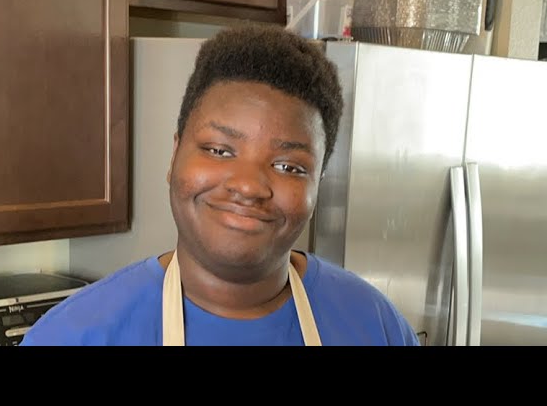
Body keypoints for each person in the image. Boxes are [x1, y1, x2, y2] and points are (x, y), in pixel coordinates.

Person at [21, 24, 420, 346]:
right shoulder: (73, 336)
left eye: (289, 166)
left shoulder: (375, 324)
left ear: (318, 186)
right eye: (219, 150)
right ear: (175, 155)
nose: (248, 186)